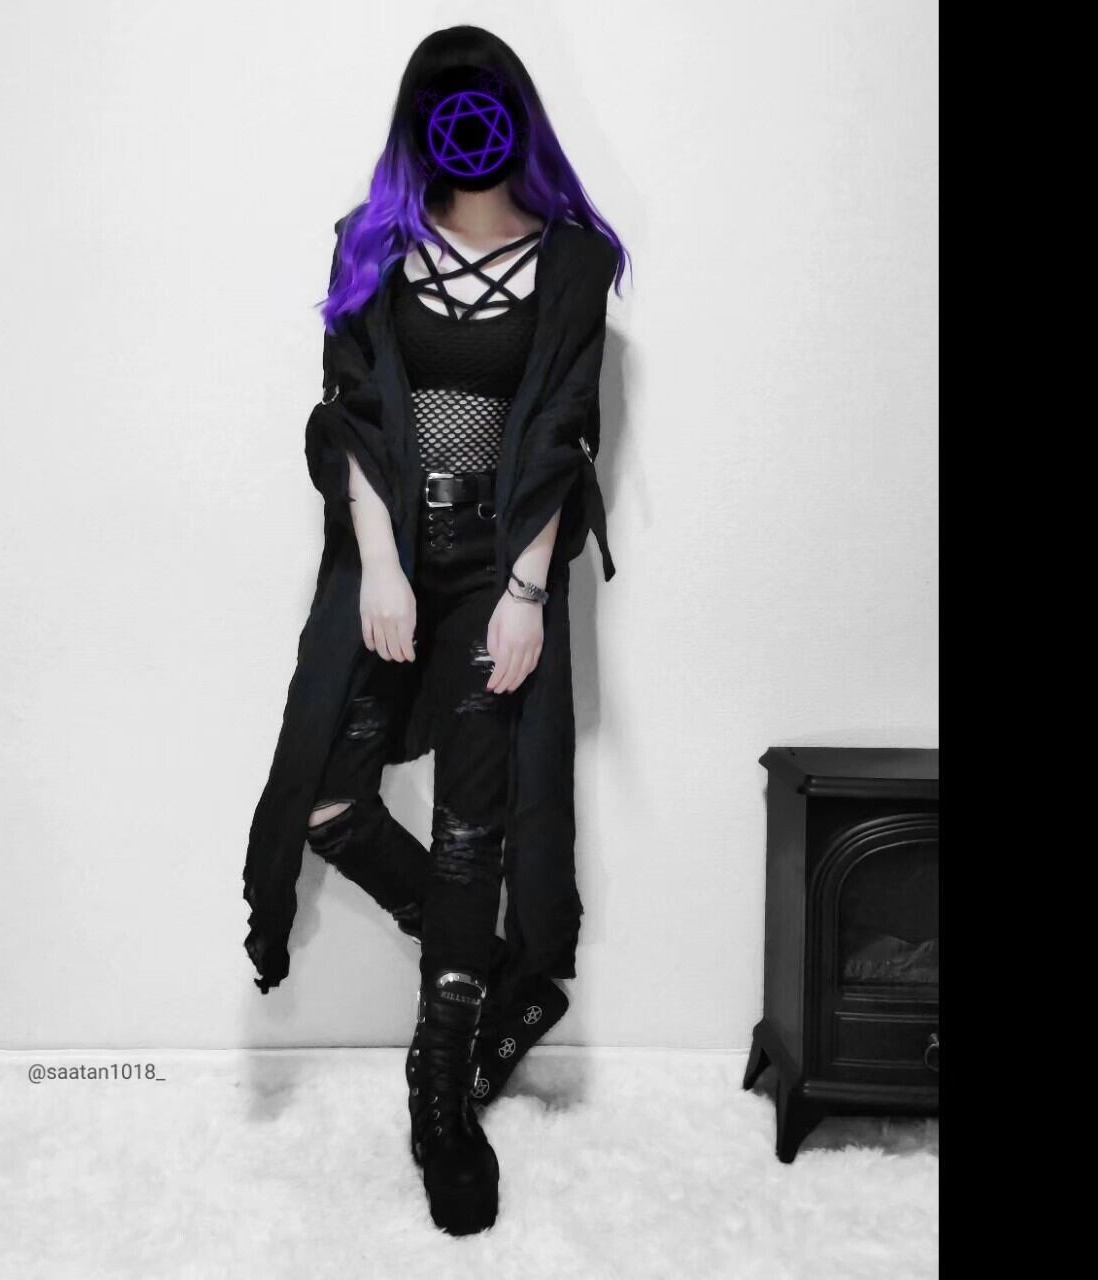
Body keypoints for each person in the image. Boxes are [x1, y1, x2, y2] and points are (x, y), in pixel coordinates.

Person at [242, 25, 629, 1236]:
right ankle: (496, 971)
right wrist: (378, 565)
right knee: (321, 792)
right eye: (443, 104)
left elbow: (563, 430)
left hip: (496, 569)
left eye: (483, 102)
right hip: (388, 558)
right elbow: (349, 417)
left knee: (473, 824)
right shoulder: (371, 242)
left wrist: (524, 592)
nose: (466, 125)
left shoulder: (570, 260)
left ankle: (440, 1087)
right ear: (421, 120)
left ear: (513, 115)